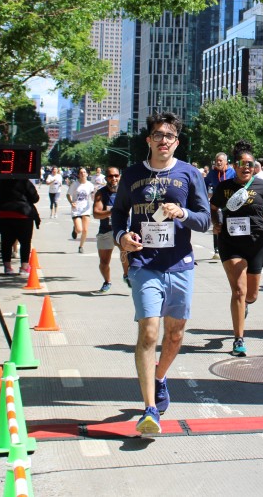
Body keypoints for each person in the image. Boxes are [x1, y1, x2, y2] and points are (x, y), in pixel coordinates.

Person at [112, 112, 211, 435]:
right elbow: (118, 214)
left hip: (180, 264)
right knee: (149, 333)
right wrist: (121, 237)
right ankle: (149, 408)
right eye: (158, 135)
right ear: (149, 140)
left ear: (176, 142)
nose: (163, 140)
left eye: (169, 136)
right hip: (144, 263)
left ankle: (160, 376)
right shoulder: (132, 174)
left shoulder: (189, 174)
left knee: (175, 334)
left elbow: (205, 220)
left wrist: (182, 212)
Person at [210, 141, 263, 356]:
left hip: (256, 243)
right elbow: (213, 207)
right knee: (239, 291)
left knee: (251, 295)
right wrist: (216, 221)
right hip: (230, 243)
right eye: (242, 164)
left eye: (250, 164)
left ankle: (246, 304)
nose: (246, 168)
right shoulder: (224, 187)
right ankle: (238, 339)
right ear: (234, 166)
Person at [0, 178, 41, 275]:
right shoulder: (25, 181)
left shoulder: (2, 181)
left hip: (4, 214)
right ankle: (24, 267)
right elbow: (35, 198)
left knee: (6, 241)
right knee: (25, 242)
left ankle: (7, 267)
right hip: (23, 214)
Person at [92, 166, 127, 294]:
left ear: (119, 176)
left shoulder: (126, 191)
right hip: (106, 230)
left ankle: (127, 275)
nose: (114, 178)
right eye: (110, 176)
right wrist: (113, 211)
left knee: (126, 251)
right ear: (106, 178)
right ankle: (107, 281)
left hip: (123, 229)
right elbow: (96, 213)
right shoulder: (101, 193)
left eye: (116, 175)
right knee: (104, 262)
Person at [205, 153, 235, 260]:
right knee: (217, 225)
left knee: (230, 225)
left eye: (220, 160)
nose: (218, 162)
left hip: (231, 203)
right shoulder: (212, 173)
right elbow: (204, 183)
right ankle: (217, 250)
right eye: (217, 160)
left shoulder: (232, 172)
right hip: (217, 203)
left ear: (226, 162)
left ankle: (231, 249)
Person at [67, 168, 95, 253]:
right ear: (78, 175)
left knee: (85, 230)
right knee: (79, 230)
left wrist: (95, 196)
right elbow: (68, 194)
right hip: (76, 209)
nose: (83, 174)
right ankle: (75, 229)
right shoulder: (75, 184)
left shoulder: (90, 185)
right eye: (81, 172)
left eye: (84, 172)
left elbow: (92, 197)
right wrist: (71, 202)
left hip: (86, 209)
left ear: (87, 174)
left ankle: (81, 246)